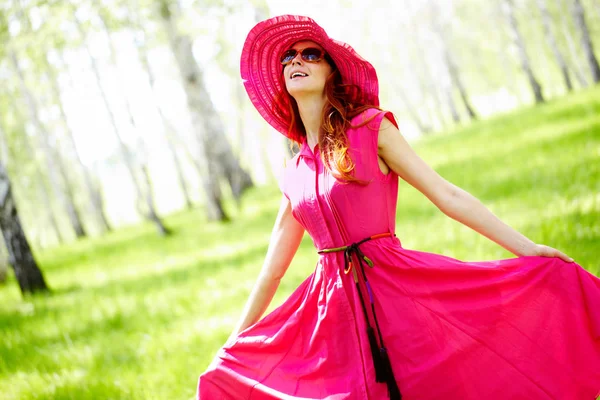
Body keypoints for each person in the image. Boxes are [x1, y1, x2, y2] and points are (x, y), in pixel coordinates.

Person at [197, 15, 600, 400]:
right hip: (331, 309)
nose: (296, 61)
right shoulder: (296, 171)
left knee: (435, 386)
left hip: (394, 287)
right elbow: (273, 271)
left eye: (310, 54)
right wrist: (234, 344)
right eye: (288, 57)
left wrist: (526, 248)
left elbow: (447, 195)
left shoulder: (371, 128)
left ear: (331, 70)